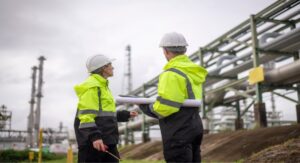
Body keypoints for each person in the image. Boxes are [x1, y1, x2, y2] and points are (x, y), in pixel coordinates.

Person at [139, 32, 208, 163]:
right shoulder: (192, 71)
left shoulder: (171, 74)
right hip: (195, 126)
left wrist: (146, 108)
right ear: (185, 49)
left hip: (179, 130)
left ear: (165, 51)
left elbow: (166, 107)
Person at [74, 54, 138, 163]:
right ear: (103, 68)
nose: (112, 67)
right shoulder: (92, 87)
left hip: (107, 141)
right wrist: (95, 137)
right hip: (94, 144)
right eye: (110, 65)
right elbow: (86, 116)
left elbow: (104, 114)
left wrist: (125, 115)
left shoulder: (103, 86)